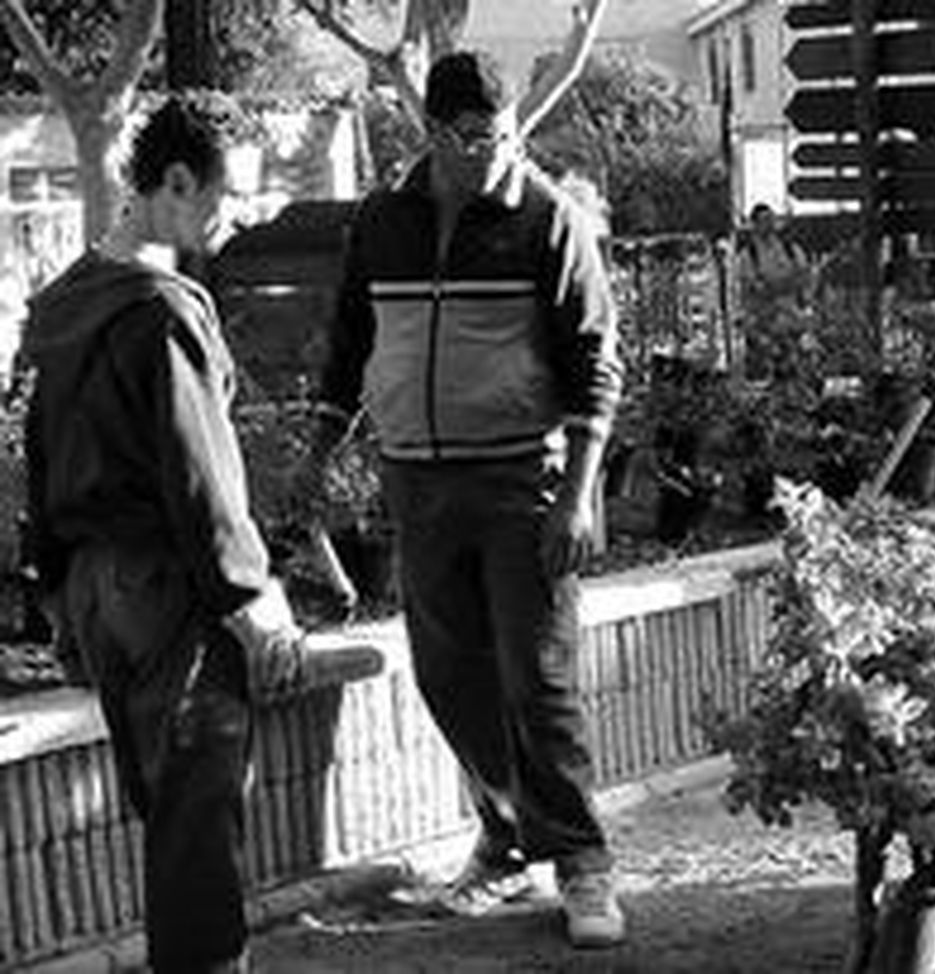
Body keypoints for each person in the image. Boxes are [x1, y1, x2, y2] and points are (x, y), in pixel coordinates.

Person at [299, 50, 626, 947]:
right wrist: (319, 454)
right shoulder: (383, 222)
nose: (496, 150)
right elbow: (348, 343)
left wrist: (580, 495)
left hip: (523, 479)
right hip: (416, 479)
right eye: (477, 135)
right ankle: (509, 834)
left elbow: (596, 366)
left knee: (540, 679)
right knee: (448, 677)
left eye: (507, 132)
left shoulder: (547, 221)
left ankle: (585, 866)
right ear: (433, 133)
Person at [21, 94, 308, 974]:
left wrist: (59, 599)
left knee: (164, 808)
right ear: (176, 182)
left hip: (95, 594)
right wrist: (249, 596)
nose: (241, 214)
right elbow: (200, 473)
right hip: (169, 588)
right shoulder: (166, 309)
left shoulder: (63, 306)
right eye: (231, 193)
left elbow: (40, 458)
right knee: (197, 817)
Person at [737, 202, 813, 377]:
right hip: (764, 328)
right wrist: (785, 283)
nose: (769, 224)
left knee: (802, 368)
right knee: (771, 373)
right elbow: (757, 289)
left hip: (794, 322)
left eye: (771, 219)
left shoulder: (791, 249)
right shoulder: (747, 256)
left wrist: (774, 285)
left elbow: (804, 279)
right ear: (754, 224)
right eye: (764, 220)